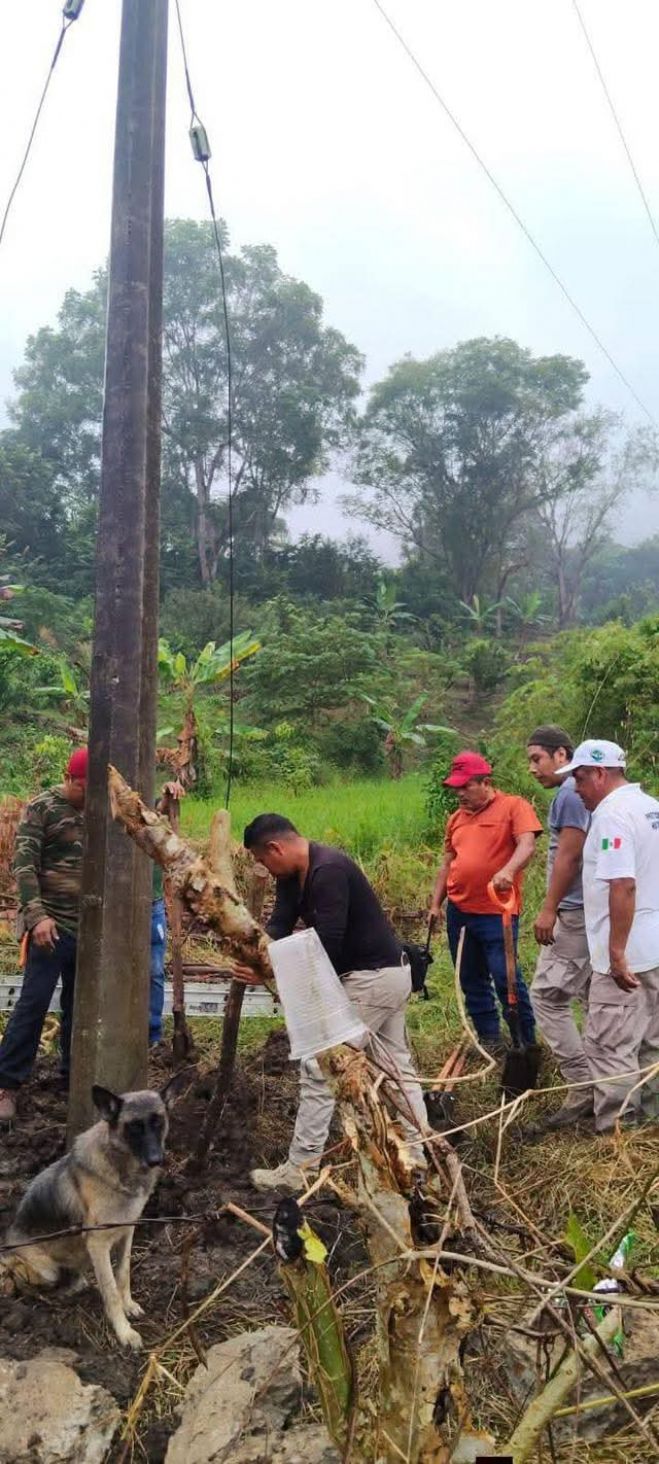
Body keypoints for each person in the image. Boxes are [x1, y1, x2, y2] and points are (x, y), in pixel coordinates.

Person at [235, 813, 428, 1194]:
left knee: (318, 1066)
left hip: (373, 980)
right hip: (383, 976)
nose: (264, 868)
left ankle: (301, 1168)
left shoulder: (329, 871)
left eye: (262, 860)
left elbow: (329, 941)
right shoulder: (293, 874)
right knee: (394, 1068)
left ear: (276, 848)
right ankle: (420, 1154)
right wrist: (259, 953)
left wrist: (272, 970)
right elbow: (280, 921)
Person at [557, 738, 659, 1133]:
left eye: (580, 779)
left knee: (609, 1044)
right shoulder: (651, 808)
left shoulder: (612, 816)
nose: (576, 789)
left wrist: (616, 952)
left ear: (600, 773)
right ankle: (650, 1118)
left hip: (628, 951)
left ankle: (617, 1130)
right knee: (651, 1038)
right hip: (653, 945)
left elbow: (623, 884)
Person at [430, 751, 542, 1054]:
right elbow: (447, 864)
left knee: (506, 978)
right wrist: (435, 904)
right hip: (460, 912)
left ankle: (525, 1042)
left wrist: (508, 870)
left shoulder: (513, 807)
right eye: (456, 788)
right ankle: (490, 1038)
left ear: (485, 782)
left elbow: (527, 844)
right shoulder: (456, 819)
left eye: (466, 786)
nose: (460, 793)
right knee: (469, 977)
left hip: (497, 912)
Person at [0, 748, 87, 1123]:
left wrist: (165, 798)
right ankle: (7, 1085)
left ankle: (74, 1078)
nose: (89, 795)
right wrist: (36, 917)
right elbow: (23, 865)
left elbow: (143, 820)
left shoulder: (101, 807)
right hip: (51, 928)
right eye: (84, 787)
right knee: (33, 1003)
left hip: (92, 930)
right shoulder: (42, 808)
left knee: (81, 1008)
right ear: (68, 779)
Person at [527, 726, 593, 1130]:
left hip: (573, 913)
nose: (531, 768)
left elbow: (569, 858)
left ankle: (582, 1086)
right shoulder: (576, 793)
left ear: (562, 755)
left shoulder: (570, 794)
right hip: (587, 913)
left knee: (547, 997)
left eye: (537, 758)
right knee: (588, 996)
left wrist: (549, 909)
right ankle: (605, 1081)